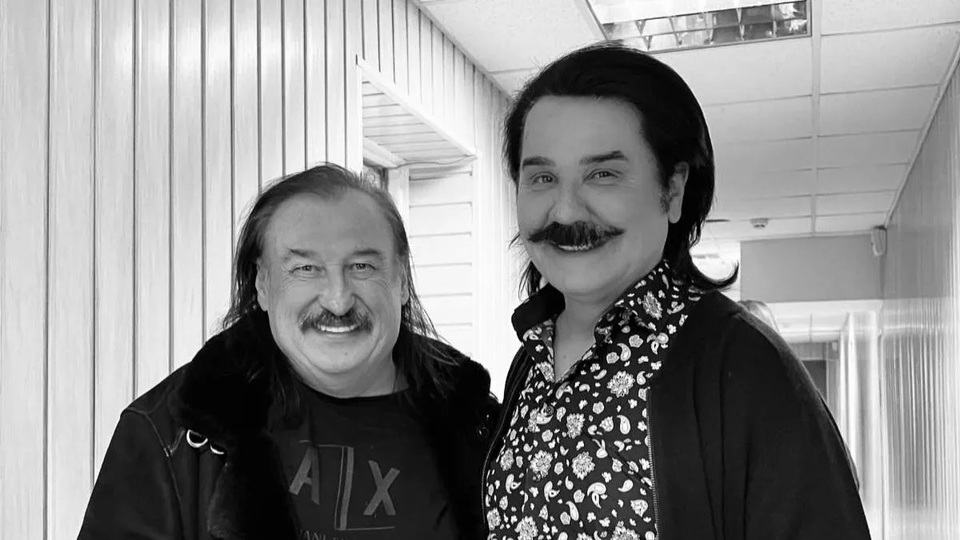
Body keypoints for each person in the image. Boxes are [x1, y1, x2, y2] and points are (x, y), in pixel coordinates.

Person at [483, 43, 870, 539]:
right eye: (541, 177)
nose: (564, 211)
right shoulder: (528, 363)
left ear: (673, 190)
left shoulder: (745, 366)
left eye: (602, 174)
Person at [79, 164, 499, 540]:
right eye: (305, 268)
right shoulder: (170, 434)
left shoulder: (483, 430)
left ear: (402, 280)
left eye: (362, 266)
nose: (337, 300)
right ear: (262, 285)